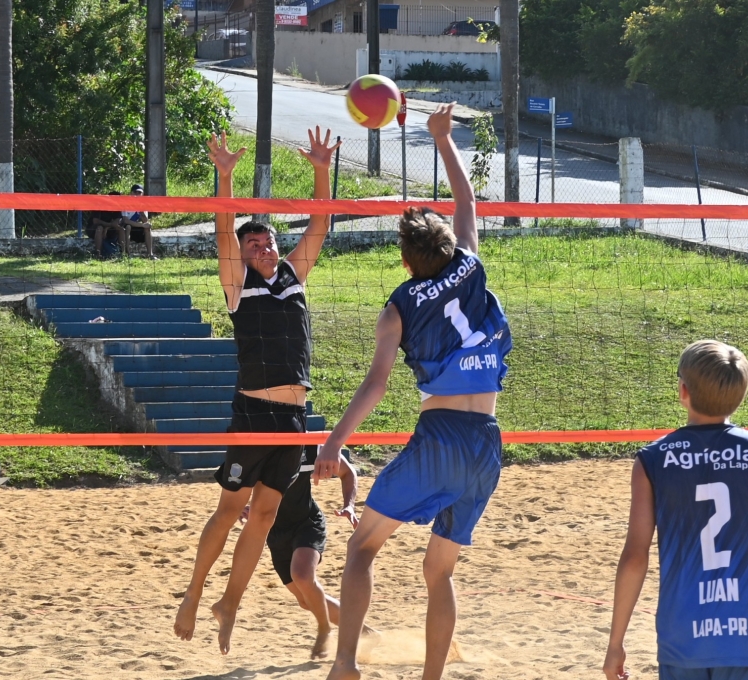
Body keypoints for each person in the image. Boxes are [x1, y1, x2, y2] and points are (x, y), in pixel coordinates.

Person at [312, 102, 512, 680]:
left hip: (441, 436)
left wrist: (334, 442)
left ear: (404, 260)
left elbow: (376, 385)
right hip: (486, 444)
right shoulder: (470, 263)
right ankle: (432, 675)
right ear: (448, 245)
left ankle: (345, 663)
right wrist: (442, 138)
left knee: (361, 549)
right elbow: (467, 203)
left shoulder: (397, 308)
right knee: (439, 572)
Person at [173, 127, 341, 656]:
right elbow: (223, 233)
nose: (265, 246)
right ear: (243, 255)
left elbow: (320, 223)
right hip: (254, 414)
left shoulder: (292, 276)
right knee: (230, 511)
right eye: (255, 243)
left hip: (294, 421)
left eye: (268, 240)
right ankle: (195, 595)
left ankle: (230, 604)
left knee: (264, 517)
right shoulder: (235, 283)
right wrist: (225, 177)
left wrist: (320, 168)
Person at [603, 340, 748, 680]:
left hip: (683, 637)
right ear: (741, 394)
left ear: (682, 390)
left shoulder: (653, 460)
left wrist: (616, 642)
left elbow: (634, 558)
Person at [239, 445, 377, 659]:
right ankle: (367, 632)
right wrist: (242, 506)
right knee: (306, 600)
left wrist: (349, 505)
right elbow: (234, 489)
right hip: (274, 531)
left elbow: (347, 472)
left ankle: (325, 629)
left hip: (307, 523)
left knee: (302, 575)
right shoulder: (256, 448)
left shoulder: (309, 448)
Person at [122, 183, 157, 259]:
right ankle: (127, 254)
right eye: (135, 192)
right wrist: (141, 225)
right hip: (125, 227)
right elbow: (125, 220)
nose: (137, 195)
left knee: (147, 227)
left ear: (142, 194)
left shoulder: (143, 204)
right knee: (128, 227)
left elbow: (145, 220)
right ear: (131, 193)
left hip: (136, 226)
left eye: (139, 193)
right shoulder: (125, 203)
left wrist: (140, 209)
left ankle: (150, 254)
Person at [89, 191, 125, 258]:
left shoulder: (117, 207)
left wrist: (107, 227)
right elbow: (95, 221)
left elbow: (116, 221)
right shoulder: (99, 205)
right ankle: (98, 253)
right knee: (100, 228)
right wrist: (108, 225)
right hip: (93, 229)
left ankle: (123, 253)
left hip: (109, 229)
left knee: (121, 229)